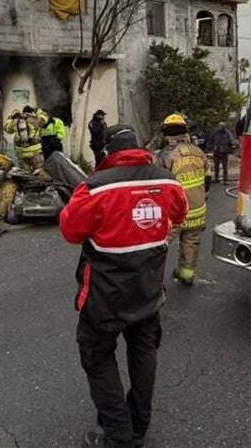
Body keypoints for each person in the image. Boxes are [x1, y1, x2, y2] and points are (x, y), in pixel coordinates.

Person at [60, 124, 188, 448]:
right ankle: (139, 426)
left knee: (97, 356)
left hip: (105, 297)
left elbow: (70, 231)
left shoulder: (94, 188)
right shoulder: (167, 180)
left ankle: (118, 436)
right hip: (148, 290)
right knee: (144, 353)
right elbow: (180, 213)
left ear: (107, 152)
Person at [156, 113, 210, 287]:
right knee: (191, 241)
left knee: (159, 244)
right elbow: (207, 179)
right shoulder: (198, 152)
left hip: (175, 212)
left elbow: (158, 184)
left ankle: (151, 279)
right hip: (198, 209)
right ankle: (186, 275)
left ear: (166, 133)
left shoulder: (166, 155)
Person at [3, 105, 43, 173]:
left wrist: (10, 118)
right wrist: (38, 111)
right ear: (31, 112)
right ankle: (37, 182)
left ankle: (27, 181)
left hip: (21, 151)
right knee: (38, 170)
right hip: (35, 150)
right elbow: (44, 120)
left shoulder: (15, 121)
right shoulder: (35, 119)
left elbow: (7, 129)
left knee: (25, 172)